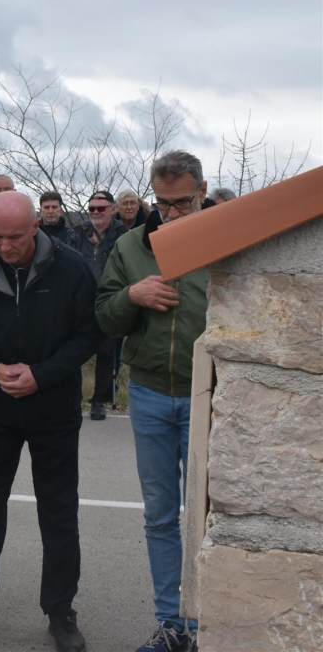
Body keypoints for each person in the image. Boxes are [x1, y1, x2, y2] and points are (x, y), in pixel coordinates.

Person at [0, 191, 103, 652]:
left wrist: (42, 374)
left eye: (15, 237)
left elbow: (89, 334)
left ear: (36, 227)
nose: (6, 246)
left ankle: (60, 611)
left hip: (53, 407)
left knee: (58, 510)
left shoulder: (70, 269)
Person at [96, 151, 210, 652]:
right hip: (147, 393)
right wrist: (131, 297)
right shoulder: (129, 245)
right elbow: (103, 318)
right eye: (163, 204)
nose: (172, 214)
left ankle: (208, 626)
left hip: (209, 396)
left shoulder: (230, 242)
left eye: (182, 203)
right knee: (161, 514)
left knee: (206, 517)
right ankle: (172, 624)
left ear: (202, 192)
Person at [68, 191, 127, 420]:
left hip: (109, 301)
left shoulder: (123, 235)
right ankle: (73, 398)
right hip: (79, 302)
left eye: (101, 208)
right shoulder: (77, 233)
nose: (95, 213)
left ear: (112, 209)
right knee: (73, 352)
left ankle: (98, 401)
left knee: (106, 353)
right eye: (91, 208)